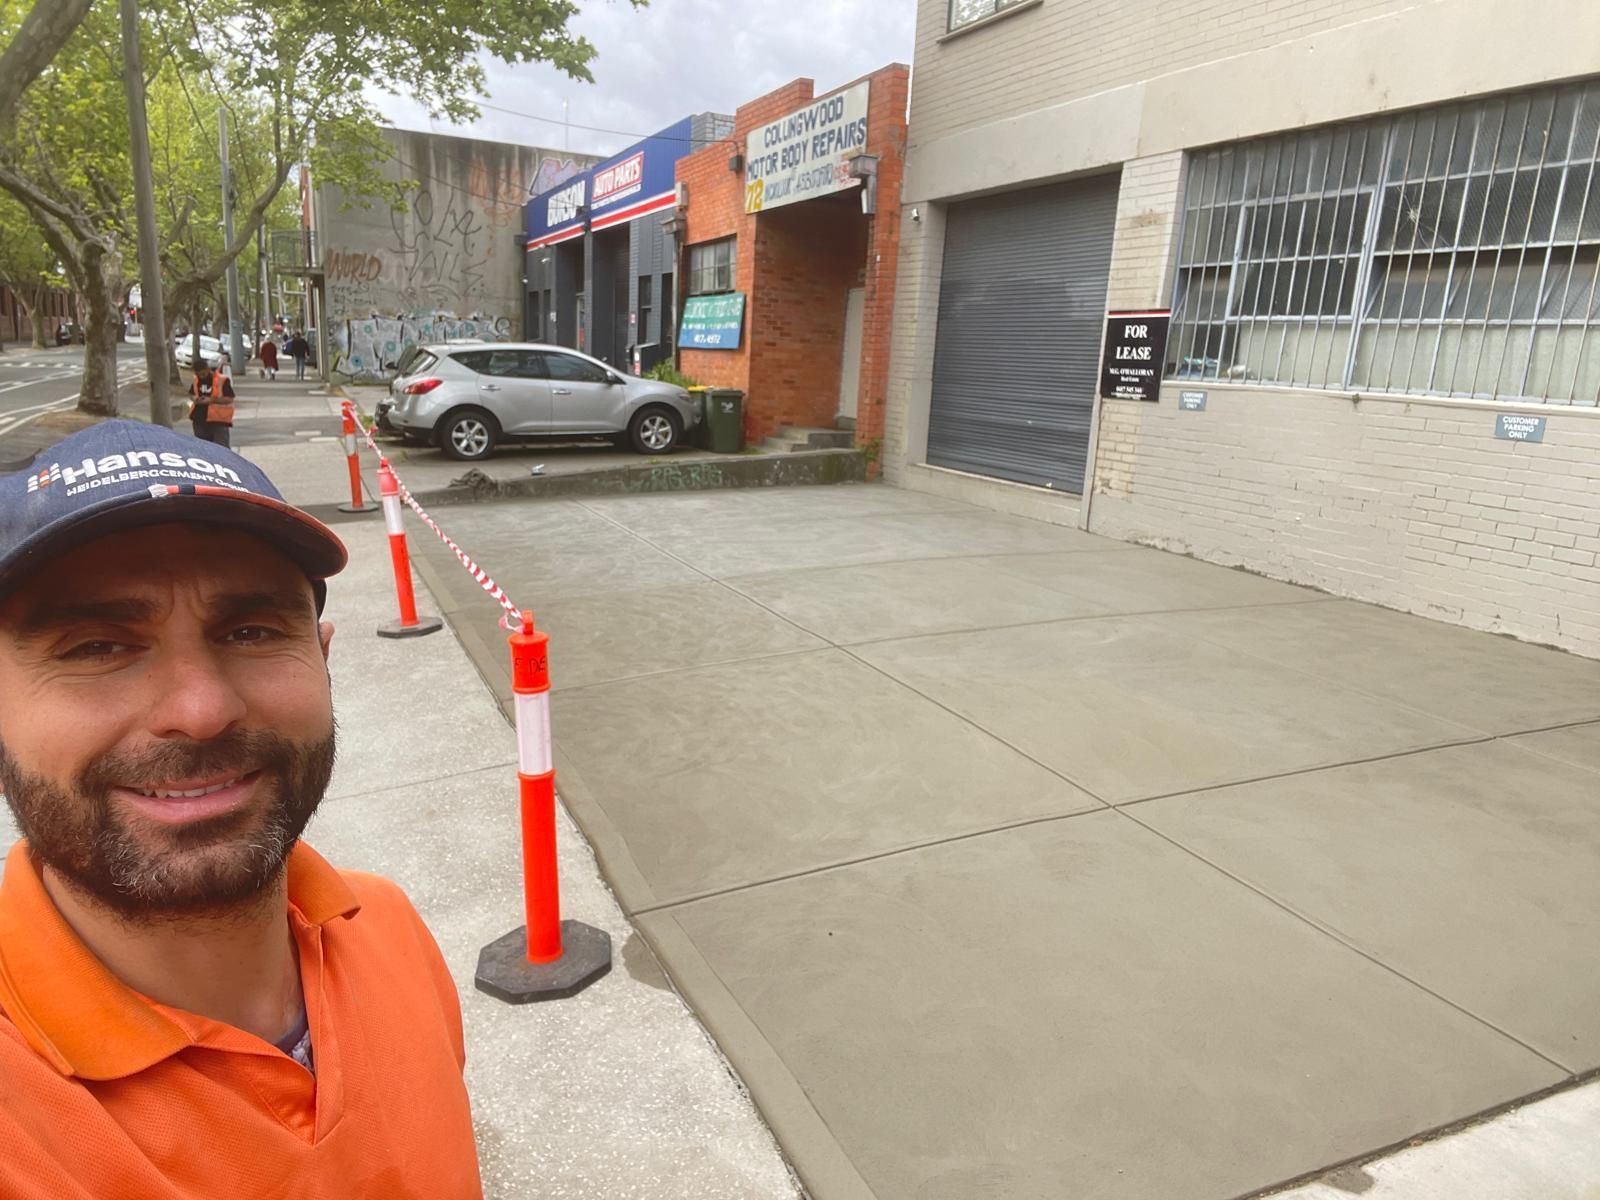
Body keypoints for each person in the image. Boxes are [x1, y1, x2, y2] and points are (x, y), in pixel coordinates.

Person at [0, 421, 482, 1198]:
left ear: (323, 663)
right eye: (95, 646)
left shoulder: (388, 931)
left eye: (251, 631)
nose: (201, 709)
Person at [188, 361, 235, 449]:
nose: (201, 376)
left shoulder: (222, 380)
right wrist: (195, 398)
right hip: (199, 418)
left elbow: (229, 398)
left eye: (203, 374)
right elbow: (191, 394)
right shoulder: (196, 380)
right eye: (199, 374)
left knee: (221, 449)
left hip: (218, 420)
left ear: (208, 369)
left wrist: (211, 400)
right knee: (202, 449)